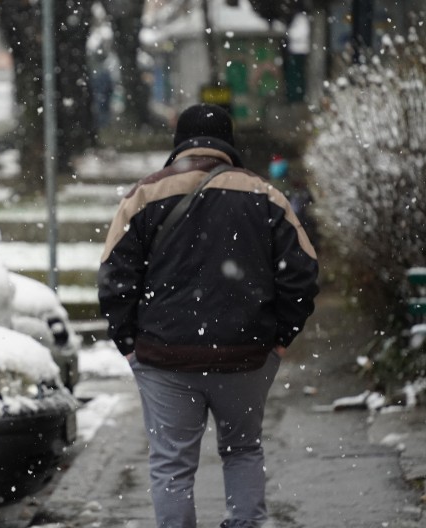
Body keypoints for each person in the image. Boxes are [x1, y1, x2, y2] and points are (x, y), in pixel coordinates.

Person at [98, 103, 319, 528]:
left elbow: (114, 277)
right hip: (247, 354)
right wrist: (280, 338)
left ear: (179, 143)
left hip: (165, 357)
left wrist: (128, 344)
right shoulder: (265, 195)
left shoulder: (144, 194)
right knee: (243, 451)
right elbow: (302, 273)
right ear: (228, 144)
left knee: (171, 465)